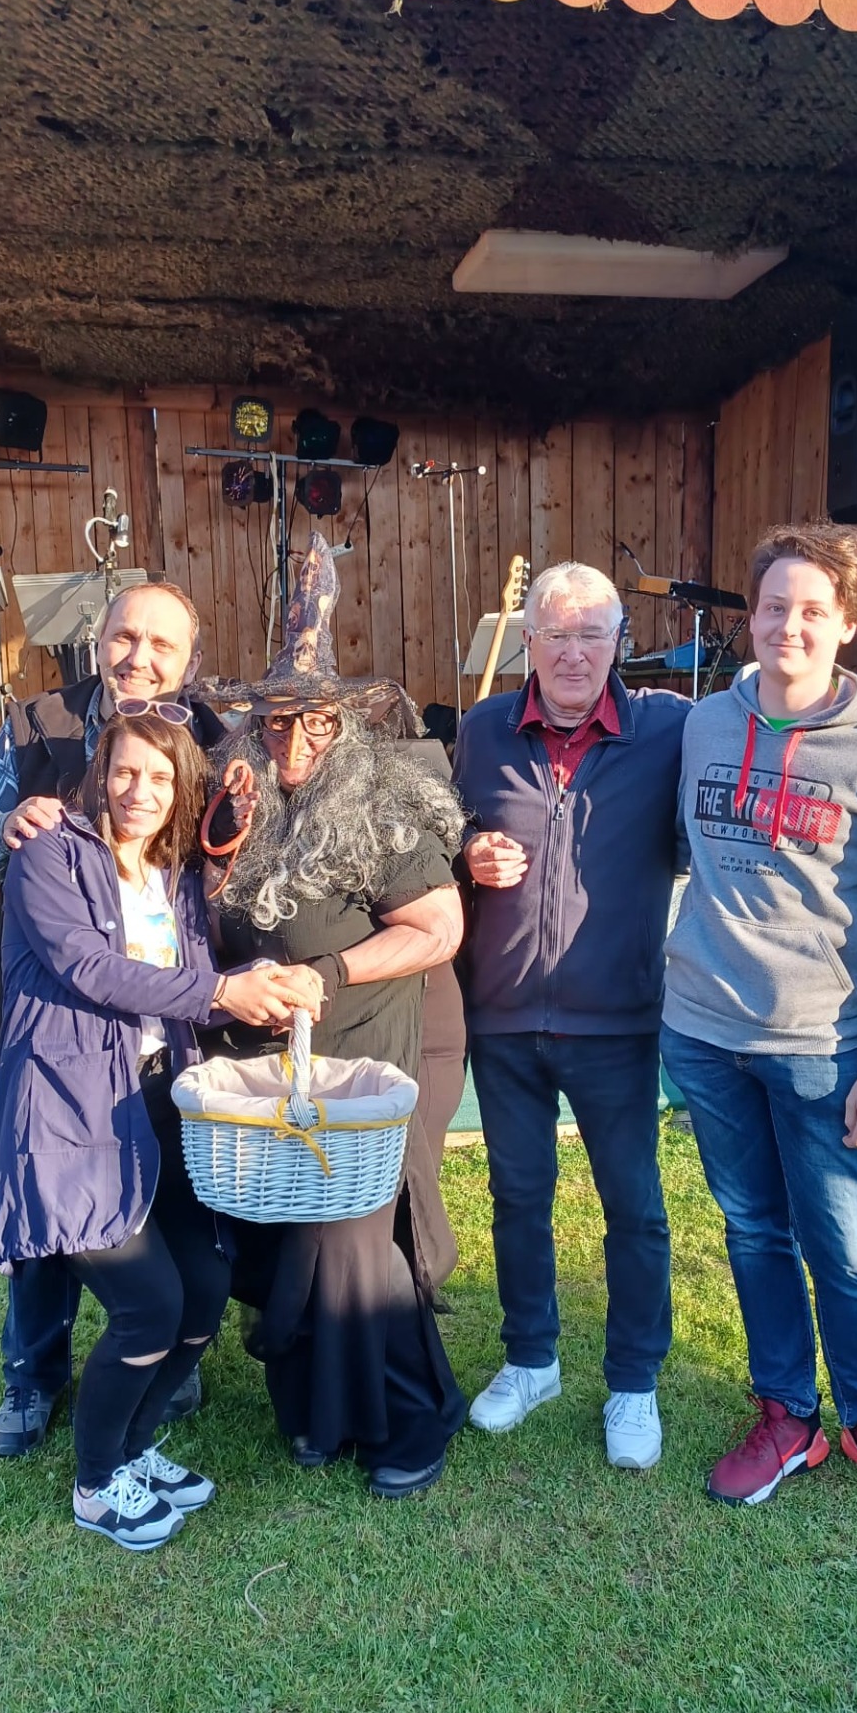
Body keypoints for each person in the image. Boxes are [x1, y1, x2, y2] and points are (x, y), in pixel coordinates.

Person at [452, 560, 857, 1471]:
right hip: (503, 1016)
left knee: (633, 1208)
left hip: (619, 1018)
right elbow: (442, 831)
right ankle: (530, 1359)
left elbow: (784, 693)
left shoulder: (674, 727)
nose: (574, 653)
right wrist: (469, 848)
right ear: (528, 642)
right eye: (557, 634)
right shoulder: (479, 733)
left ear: (620, 643)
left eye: (593, 634)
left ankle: (633, 1380)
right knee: (517, 1198)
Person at [659, 521, 857, 1520]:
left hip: (824, 1050)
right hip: (705, 1034)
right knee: (753, 1230)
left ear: (847, 626)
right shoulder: (703, 724)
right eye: (773, 606)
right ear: (750, 616)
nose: (788, 626)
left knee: (847, 1249)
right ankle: (788, 1415)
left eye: (812, 611)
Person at [0, 707, 320, 1549]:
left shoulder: (171, 879)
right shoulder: (49, 856)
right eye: (127, 771)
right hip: (71, 1113)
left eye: (162, 778)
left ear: (182, 793)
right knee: (148, 1304)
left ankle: (133, 1450)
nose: (141, 791)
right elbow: (91, 969)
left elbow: (195, 984)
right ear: (100, 775)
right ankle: (97, 1484)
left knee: (202, 1292)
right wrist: (220, 992)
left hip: (160, 1105)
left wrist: (266, 984)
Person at [201, 534, 469, 1499]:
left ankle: (413, 1416)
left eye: (315, 722)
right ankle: (315, 1415)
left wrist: (327, 971)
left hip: (361, 1058)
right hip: (267, 1068)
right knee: (287, 1237)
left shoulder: (380, 809)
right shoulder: (238, 802)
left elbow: (439, 928)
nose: (294, 741)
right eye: (276, 722)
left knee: (352, 1243)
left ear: (345, 725)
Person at [0, 579, 223, 1459]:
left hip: (159, 1032)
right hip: (54, 1026)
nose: (140, 658)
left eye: (163, 645)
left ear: (190, 661)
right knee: (55, 1211)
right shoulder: (37, 726)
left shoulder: (213, 736)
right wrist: (6, 824)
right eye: (125, 637)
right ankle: (34, 1375)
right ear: (99, 640)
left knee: (161, 1189)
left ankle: (158, 1344)